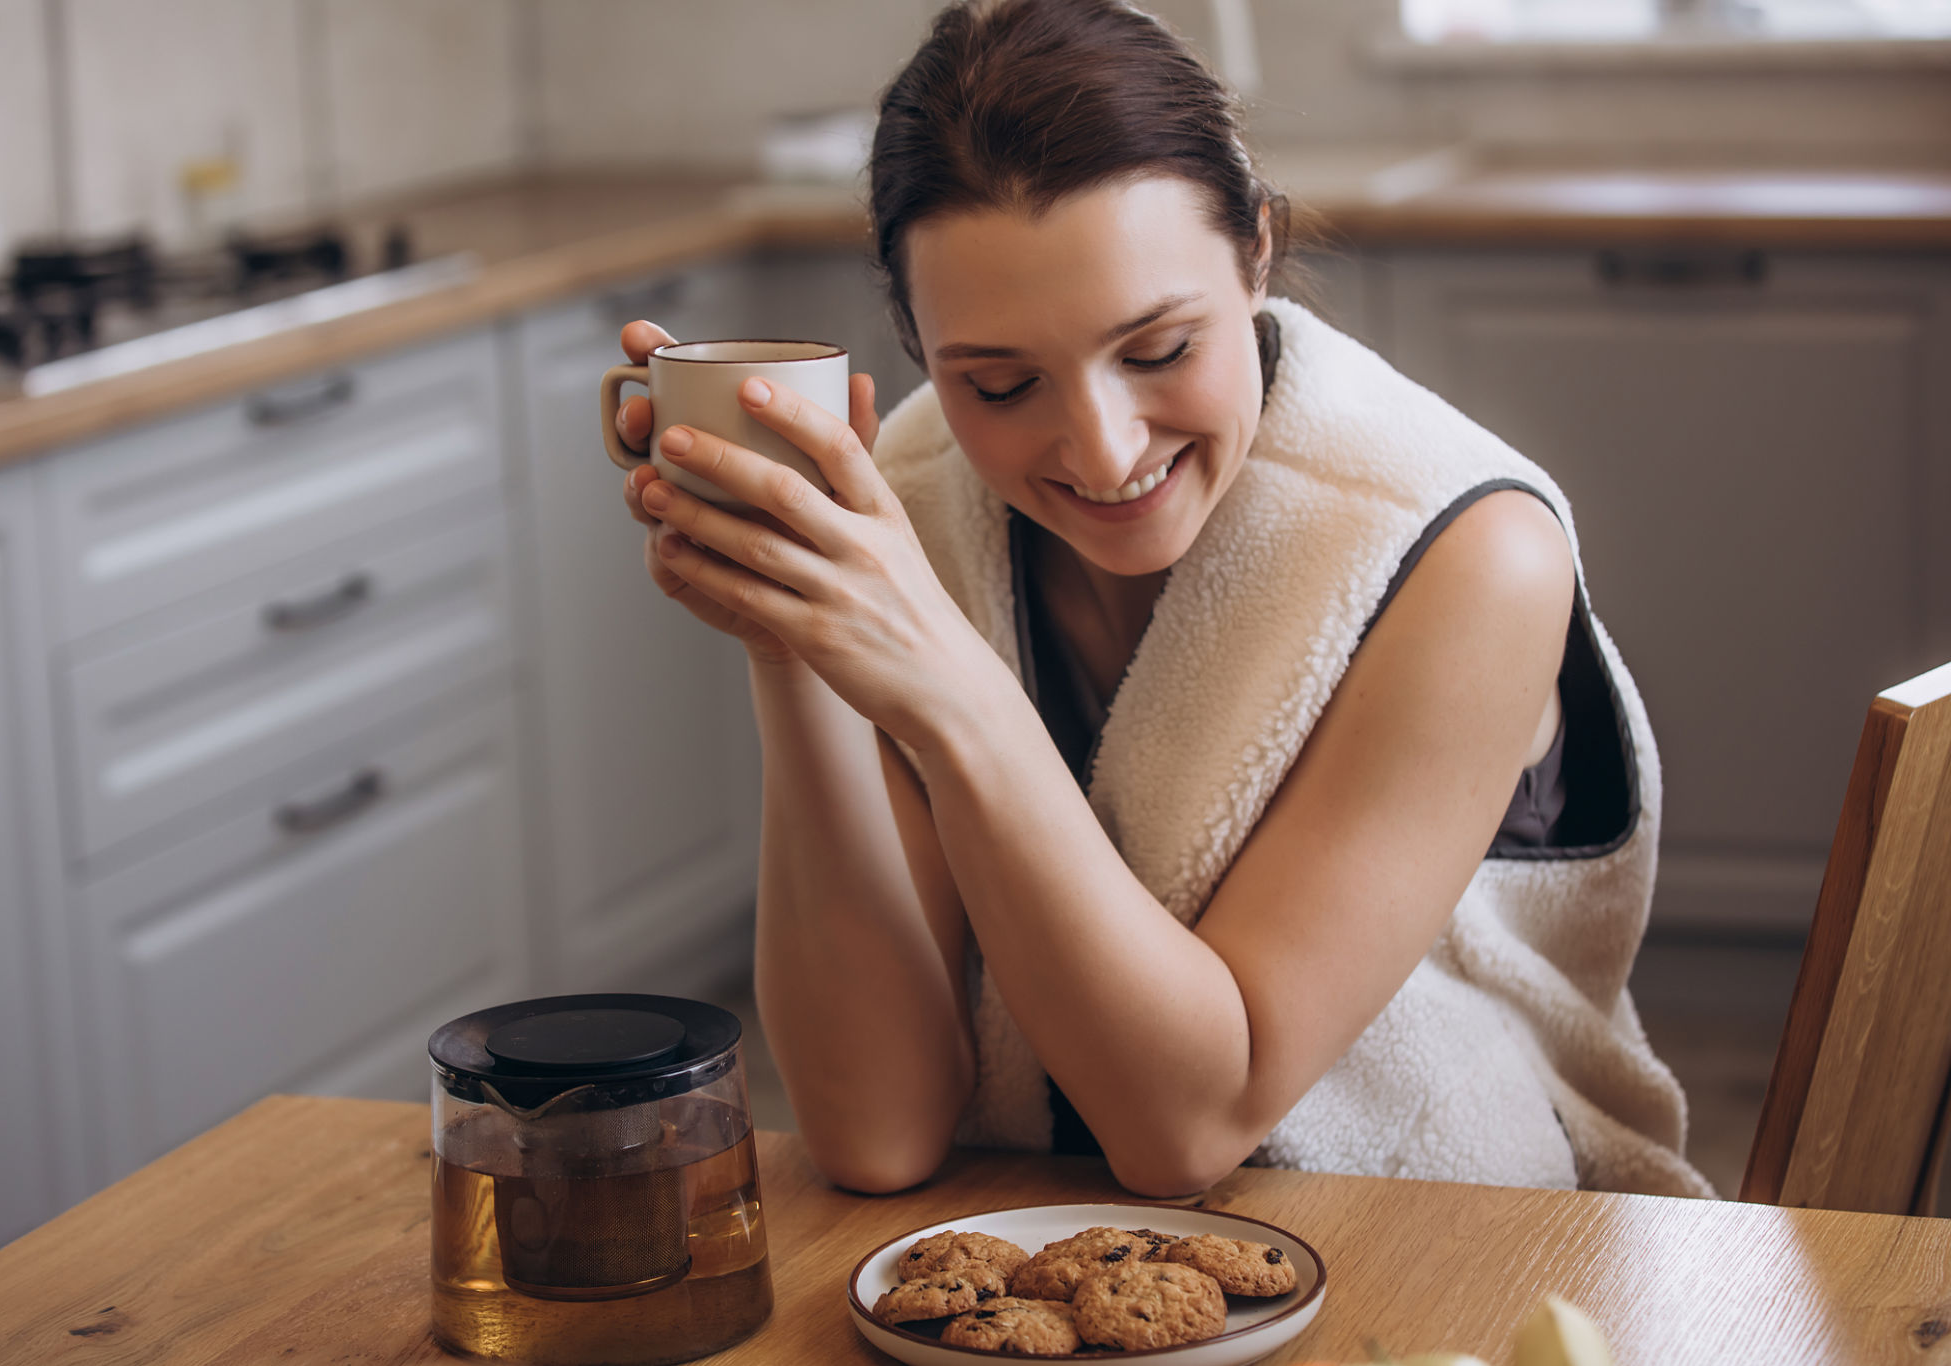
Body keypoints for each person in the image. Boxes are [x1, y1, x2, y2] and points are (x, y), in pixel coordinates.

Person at [612, 0, 1711, 1200]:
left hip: (1442, 1242)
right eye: (1000, 381)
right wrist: (795, 635)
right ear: (917, 345)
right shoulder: (912, 510)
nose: (1097, 448)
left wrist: (946, 688)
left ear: (1255, 248)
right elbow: (877, 1134)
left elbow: (1187, 1127)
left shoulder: (1463, 550)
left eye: (1154, 350)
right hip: (1048, 1248)